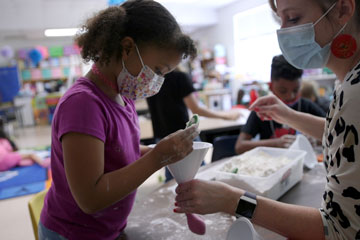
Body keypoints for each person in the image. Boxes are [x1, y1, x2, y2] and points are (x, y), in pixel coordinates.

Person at [174, 0, 360, 239]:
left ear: (343, 9)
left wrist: (231, 200)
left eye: (292, 19)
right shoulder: (347, 81)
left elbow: (339, 231)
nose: (283, 32)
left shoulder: (355, 92)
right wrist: (287, 115)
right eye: (279, 20)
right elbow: (347, 137)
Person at [39, 1, 200, 239]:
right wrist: (158, 157)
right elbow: (90, 199)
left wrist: (164, 152)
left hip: (107, 228)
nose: (157, 81)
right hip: (74, 233)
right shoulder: (83, 104)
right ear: (127, 48)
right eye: (157, 70)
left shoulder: (123, 96)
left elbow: (120, 151)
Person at [146, 69, 241, 182]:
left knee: (173, 179)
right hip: (183, 134)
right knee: (199, 176)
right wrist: (227, 116)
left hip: (161, 135)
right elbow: (196, 109)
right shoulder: (179, 77)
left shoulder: (150, 77)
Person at [235, 55, 326, 154]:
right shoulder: (263, 109)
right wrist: (276, 143)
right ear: (271, 85)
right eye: (282, 91)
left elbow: (333, 134)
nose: (290, 96)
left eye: (296, 90)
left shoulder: (307, 106)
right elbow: (239, 146)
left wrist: (316, 140)